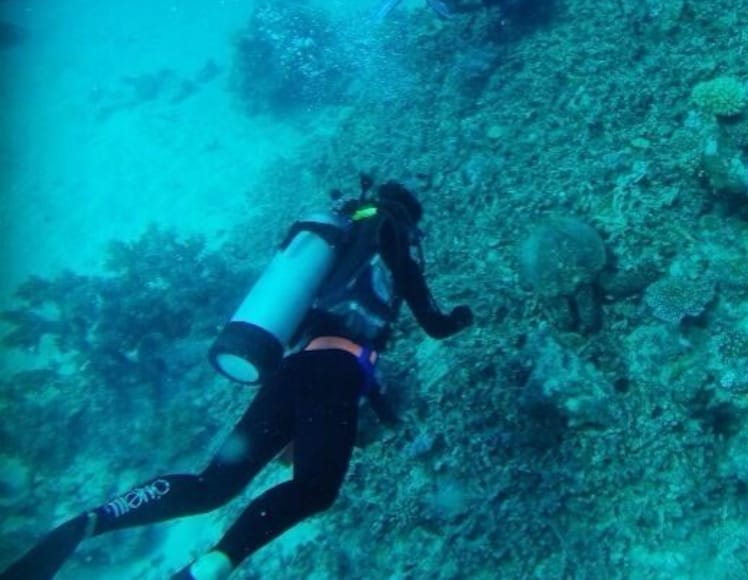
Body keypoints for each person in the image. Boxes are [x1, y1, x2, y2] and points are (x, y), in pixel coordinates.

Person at [0, 178, 474, 580]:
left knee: (211, 486)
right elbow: (430, 319)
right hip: (335, 374)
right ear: (407, 215)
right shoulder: (394, 231)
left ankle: (92, 521)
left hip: (293, 372)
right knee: (315, 490)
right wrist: (458, 318)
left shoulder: (338, 243)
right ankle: (209, 567)